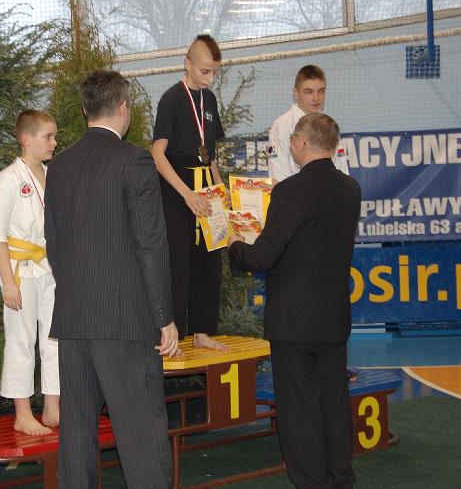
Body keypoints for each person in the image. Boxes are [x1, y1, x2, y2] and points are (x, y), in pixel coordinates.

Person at [44, 70, 179, 488]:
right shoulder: (134, 160)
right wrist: (164, 316)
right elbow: (151, 243)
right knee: (142, 438)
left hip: (74, 319)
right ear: (123, 108)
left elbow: (53, 243)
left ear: (85, 109)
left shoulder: (59, 165)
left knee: (77, 435)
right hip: (124, 322)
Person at [228, 112, 360, 489]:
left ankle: (310, 482)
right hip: (333, 316)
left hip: (294, 321)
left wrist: (234, 243)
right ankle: (340, 478)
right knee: (334, 402)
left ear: (301, 143)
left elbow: (262, 257)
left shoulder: (289, 191)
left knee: (299, 408)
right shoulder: (350, 189)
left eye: (292, 141)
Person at [151, 34, 228, 351]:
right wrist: (186, 195)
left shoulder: (209, 101)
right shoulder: (171, 99)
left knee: (209, 261)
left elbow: (210, 154)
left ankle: (202, 331)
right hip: (177, 189)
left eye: (214, 73)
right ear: (187, 64)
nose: (209, 79)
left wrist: (219, 191)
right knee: (178, 263)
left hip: (205, 186)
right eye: (204, 71)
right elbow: (158, 155)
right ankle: (174, 336)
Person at [0, 109, 60, 436]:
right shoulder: (8, 180)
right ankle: (22, 413)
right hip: (18, 269)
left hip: (48, 266)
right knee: (21, 339)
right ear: (26, 139)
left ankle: (52, 407)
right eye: (48, 137)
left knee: (55, 337)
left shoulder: (50, 174)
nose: (54, 143)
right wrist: (8, 282)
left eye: (54, 136)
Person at [267, 65, 349, 185]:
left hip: (330, 193)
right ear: (296, 93)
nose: (316, 98)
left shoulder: (328, 125)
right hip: (295, 195)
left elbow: (341, 170)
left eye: (321, 91)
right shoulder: (283, 126)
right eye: (309, 92)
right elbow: (279, 178)